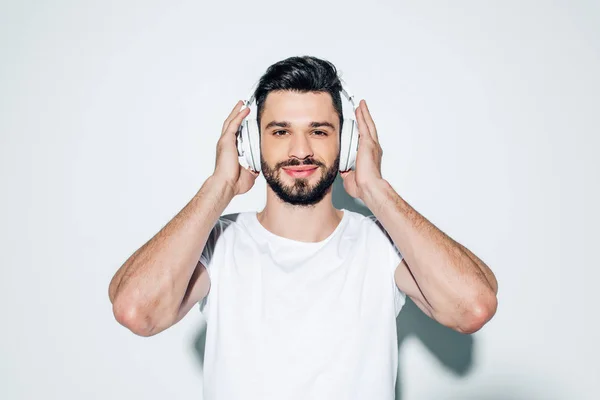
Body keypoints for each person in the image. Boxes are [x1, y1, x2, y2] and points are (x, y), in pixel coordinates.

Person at [108, 55, 498, 400]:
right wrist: (218, 187)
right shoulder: (218, 242)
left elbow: (473, 307)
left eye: (319, 130)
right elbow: (136, 310)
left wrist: (376, 190)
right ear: (250, 143)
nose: (300, 150)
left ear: (345, 145)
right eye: (280, 131)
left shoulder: (379, 243)